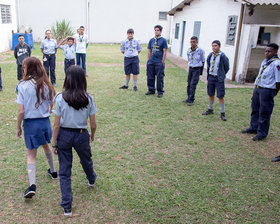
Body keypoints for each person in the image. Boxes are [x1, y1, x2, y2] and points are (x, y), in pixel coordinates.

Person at [52, 65, 97, 216]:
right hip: (81, 134)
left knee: (64, 171)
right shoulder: (89, 98)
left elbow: (56, 124)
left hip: (64, 135)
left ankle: (67, 207)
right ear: (83, 79)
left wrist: (54, 143)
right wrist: (92, 134)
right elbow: (93, 123)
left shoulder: (59, 97)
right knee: (86, 159)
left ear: (67, 79)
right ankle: (91, 178)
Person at [16, 57, 57, 199]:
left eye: (24, 66)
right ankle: (53, 171)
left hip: (31, 125)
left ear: (28, 68)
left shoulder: (22, 86)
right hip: (45, 123)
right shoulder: (47, 83)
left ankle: (32, 185)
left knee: (31, 155)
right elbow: (53, 104)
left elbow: (21, 111)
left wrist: (18, 127)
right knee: (46, 145)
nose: (22, 68)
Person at [242, 43, 280, 142]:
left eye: (269, 51)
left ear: (275, 52)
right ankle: (253, 127)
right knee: (255, 109)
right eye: (266, 51)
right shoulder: (265, 62)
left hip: (267, 90)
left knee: (264, 112)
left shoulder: (276, 63)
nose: (267, 53)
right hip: (258, 88)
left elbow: (278, 81)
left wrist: (274, 92)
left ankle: (262, 133)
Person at [202, 40, 229, 121]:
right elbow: (209, 65)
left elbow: (226, 67)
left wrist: (221, 74)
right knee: (210, 94)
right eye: (213, 46)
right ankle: (210, 109)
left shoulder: (222, 56)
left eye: (215, 46)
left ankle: (222, 112)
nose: (214, 47)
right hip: (211, 77)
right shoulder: (210, 55)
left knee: (220, 95)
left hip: (218, 78)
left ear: (219, 46)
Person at [146, 25, 168, 98]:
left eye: (158, 30)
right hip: (151, 62)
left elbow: (165, 52)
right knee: (150, 77)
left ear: (160, 31)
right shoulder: (151, 40)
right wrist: (148, 61)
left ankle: (160, 91)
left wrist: (162, 62)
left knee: (159, 78)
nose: (156, 31)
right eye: (155, 30)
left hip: (159, 62)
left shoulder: (163, 40)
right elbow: (149, 51)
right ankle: (151, 89)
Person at [183, 36, 205, 106]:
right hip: (191, 68)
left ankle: (191, 99)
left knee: (193, 84)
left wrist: (200, 71)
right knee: (189, 83)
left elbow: (203, 60)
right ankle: (188, 97)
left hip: (197, 69)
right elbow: (189, 59)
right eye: (191, 42)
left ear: (197, 42)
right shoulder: (189, 50)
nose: (192, 43)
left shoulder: (200, 51)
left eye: (194, 42)